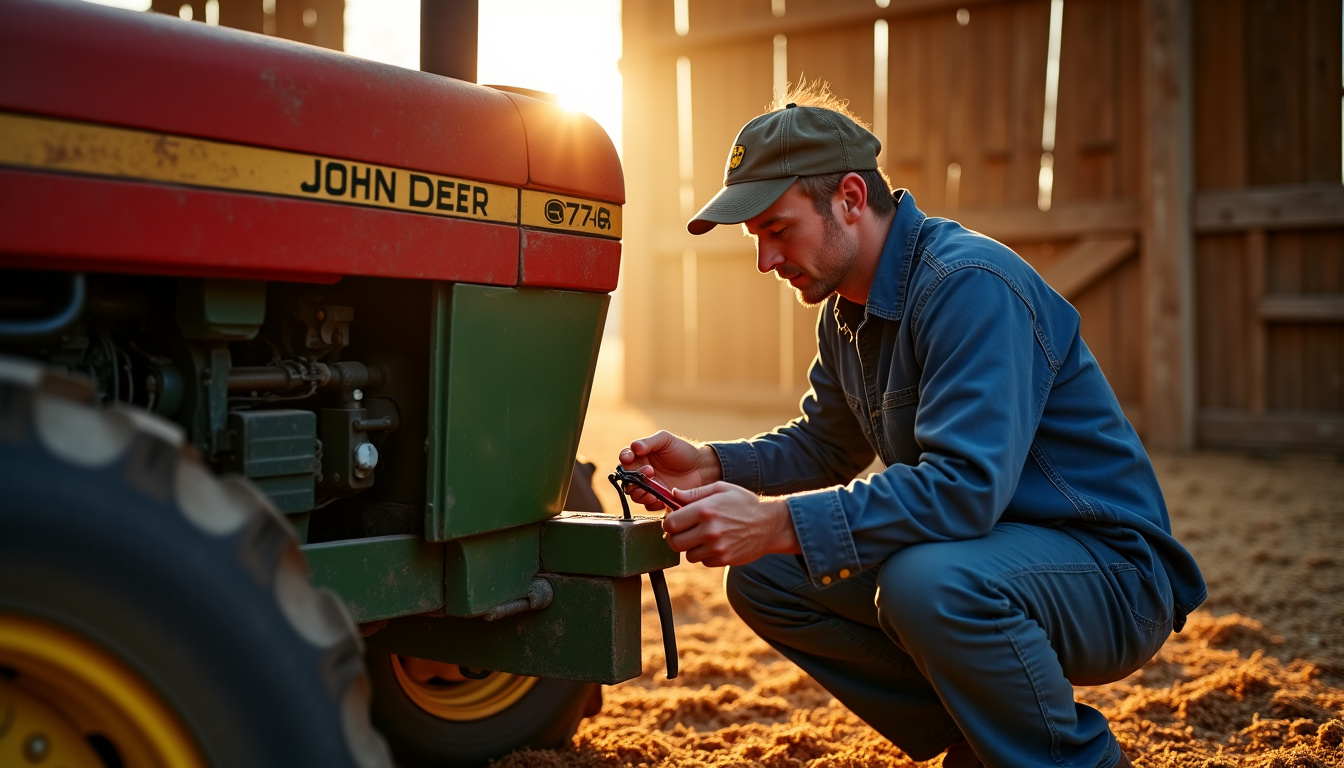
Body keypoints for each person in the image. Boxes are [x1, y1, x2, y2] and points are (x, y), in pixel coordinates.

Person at [618, 86, 1206, 768]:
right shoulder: (845, 311)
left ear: (848, 198)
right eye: (756, 239)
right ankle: (979, 739)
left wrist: (776, 523)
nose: (765, 261)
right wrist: (713, 465)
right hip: (987, 553)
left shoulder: (967, 284)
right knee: (766, 578)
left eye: (778, 229)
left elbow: (962, 490)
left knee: (924, 582)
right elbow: (826, 445)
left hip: (1107, 574)